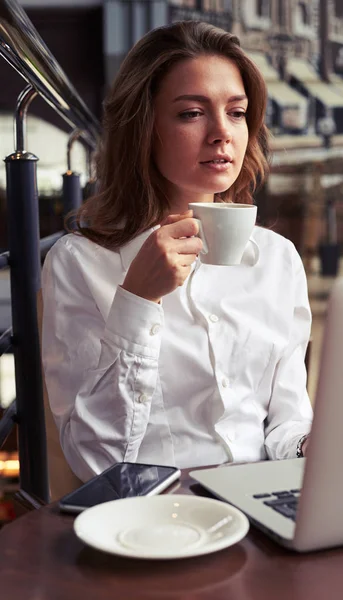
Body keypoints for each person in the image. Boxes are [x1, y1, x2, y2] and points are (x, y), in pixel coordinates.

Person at [41, 21, 312, 484]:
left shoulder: (277, 259)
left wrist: (309, 445)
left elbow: (286, 421)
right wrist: (138, 301)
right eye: (192, 113)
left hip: (263, 507)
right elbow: (96, 463)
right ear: (145, 129)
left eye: (237, 112)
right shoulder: (78, 262)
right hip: (157, 517)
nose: (221, 133)